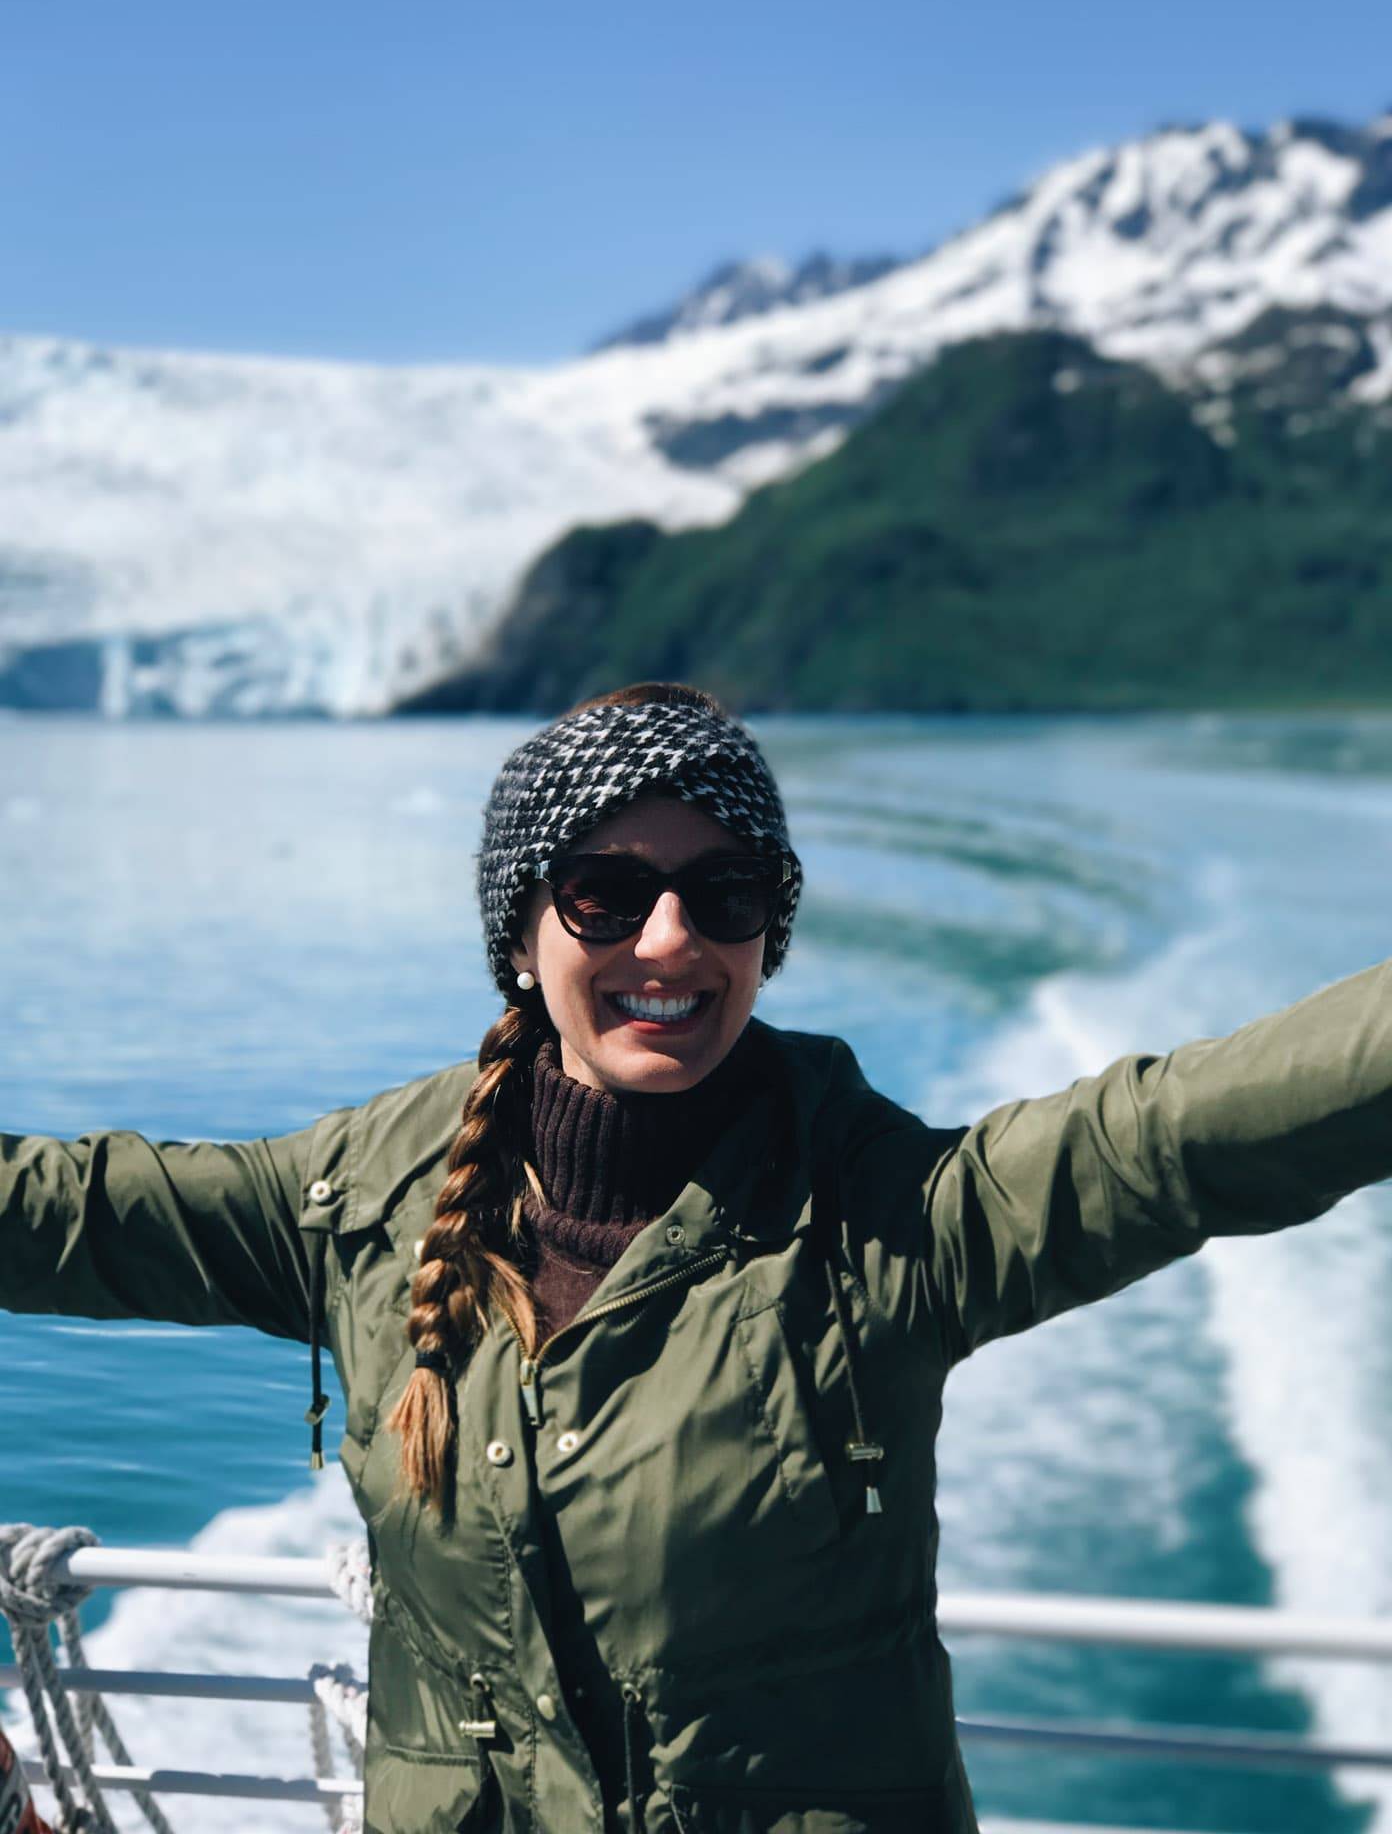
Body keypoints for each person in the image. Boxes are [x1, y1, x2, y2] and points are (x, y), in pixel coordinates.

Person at [3, 680, 1390, 1834]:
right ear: (524, 932)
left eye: (724, 893)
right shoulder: (357, 1200)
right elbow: (65, 1211)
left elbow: (1185, 1137)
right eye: (607, 893)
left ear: (768, 929)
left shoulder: (895, 1221)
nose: (672, 939)